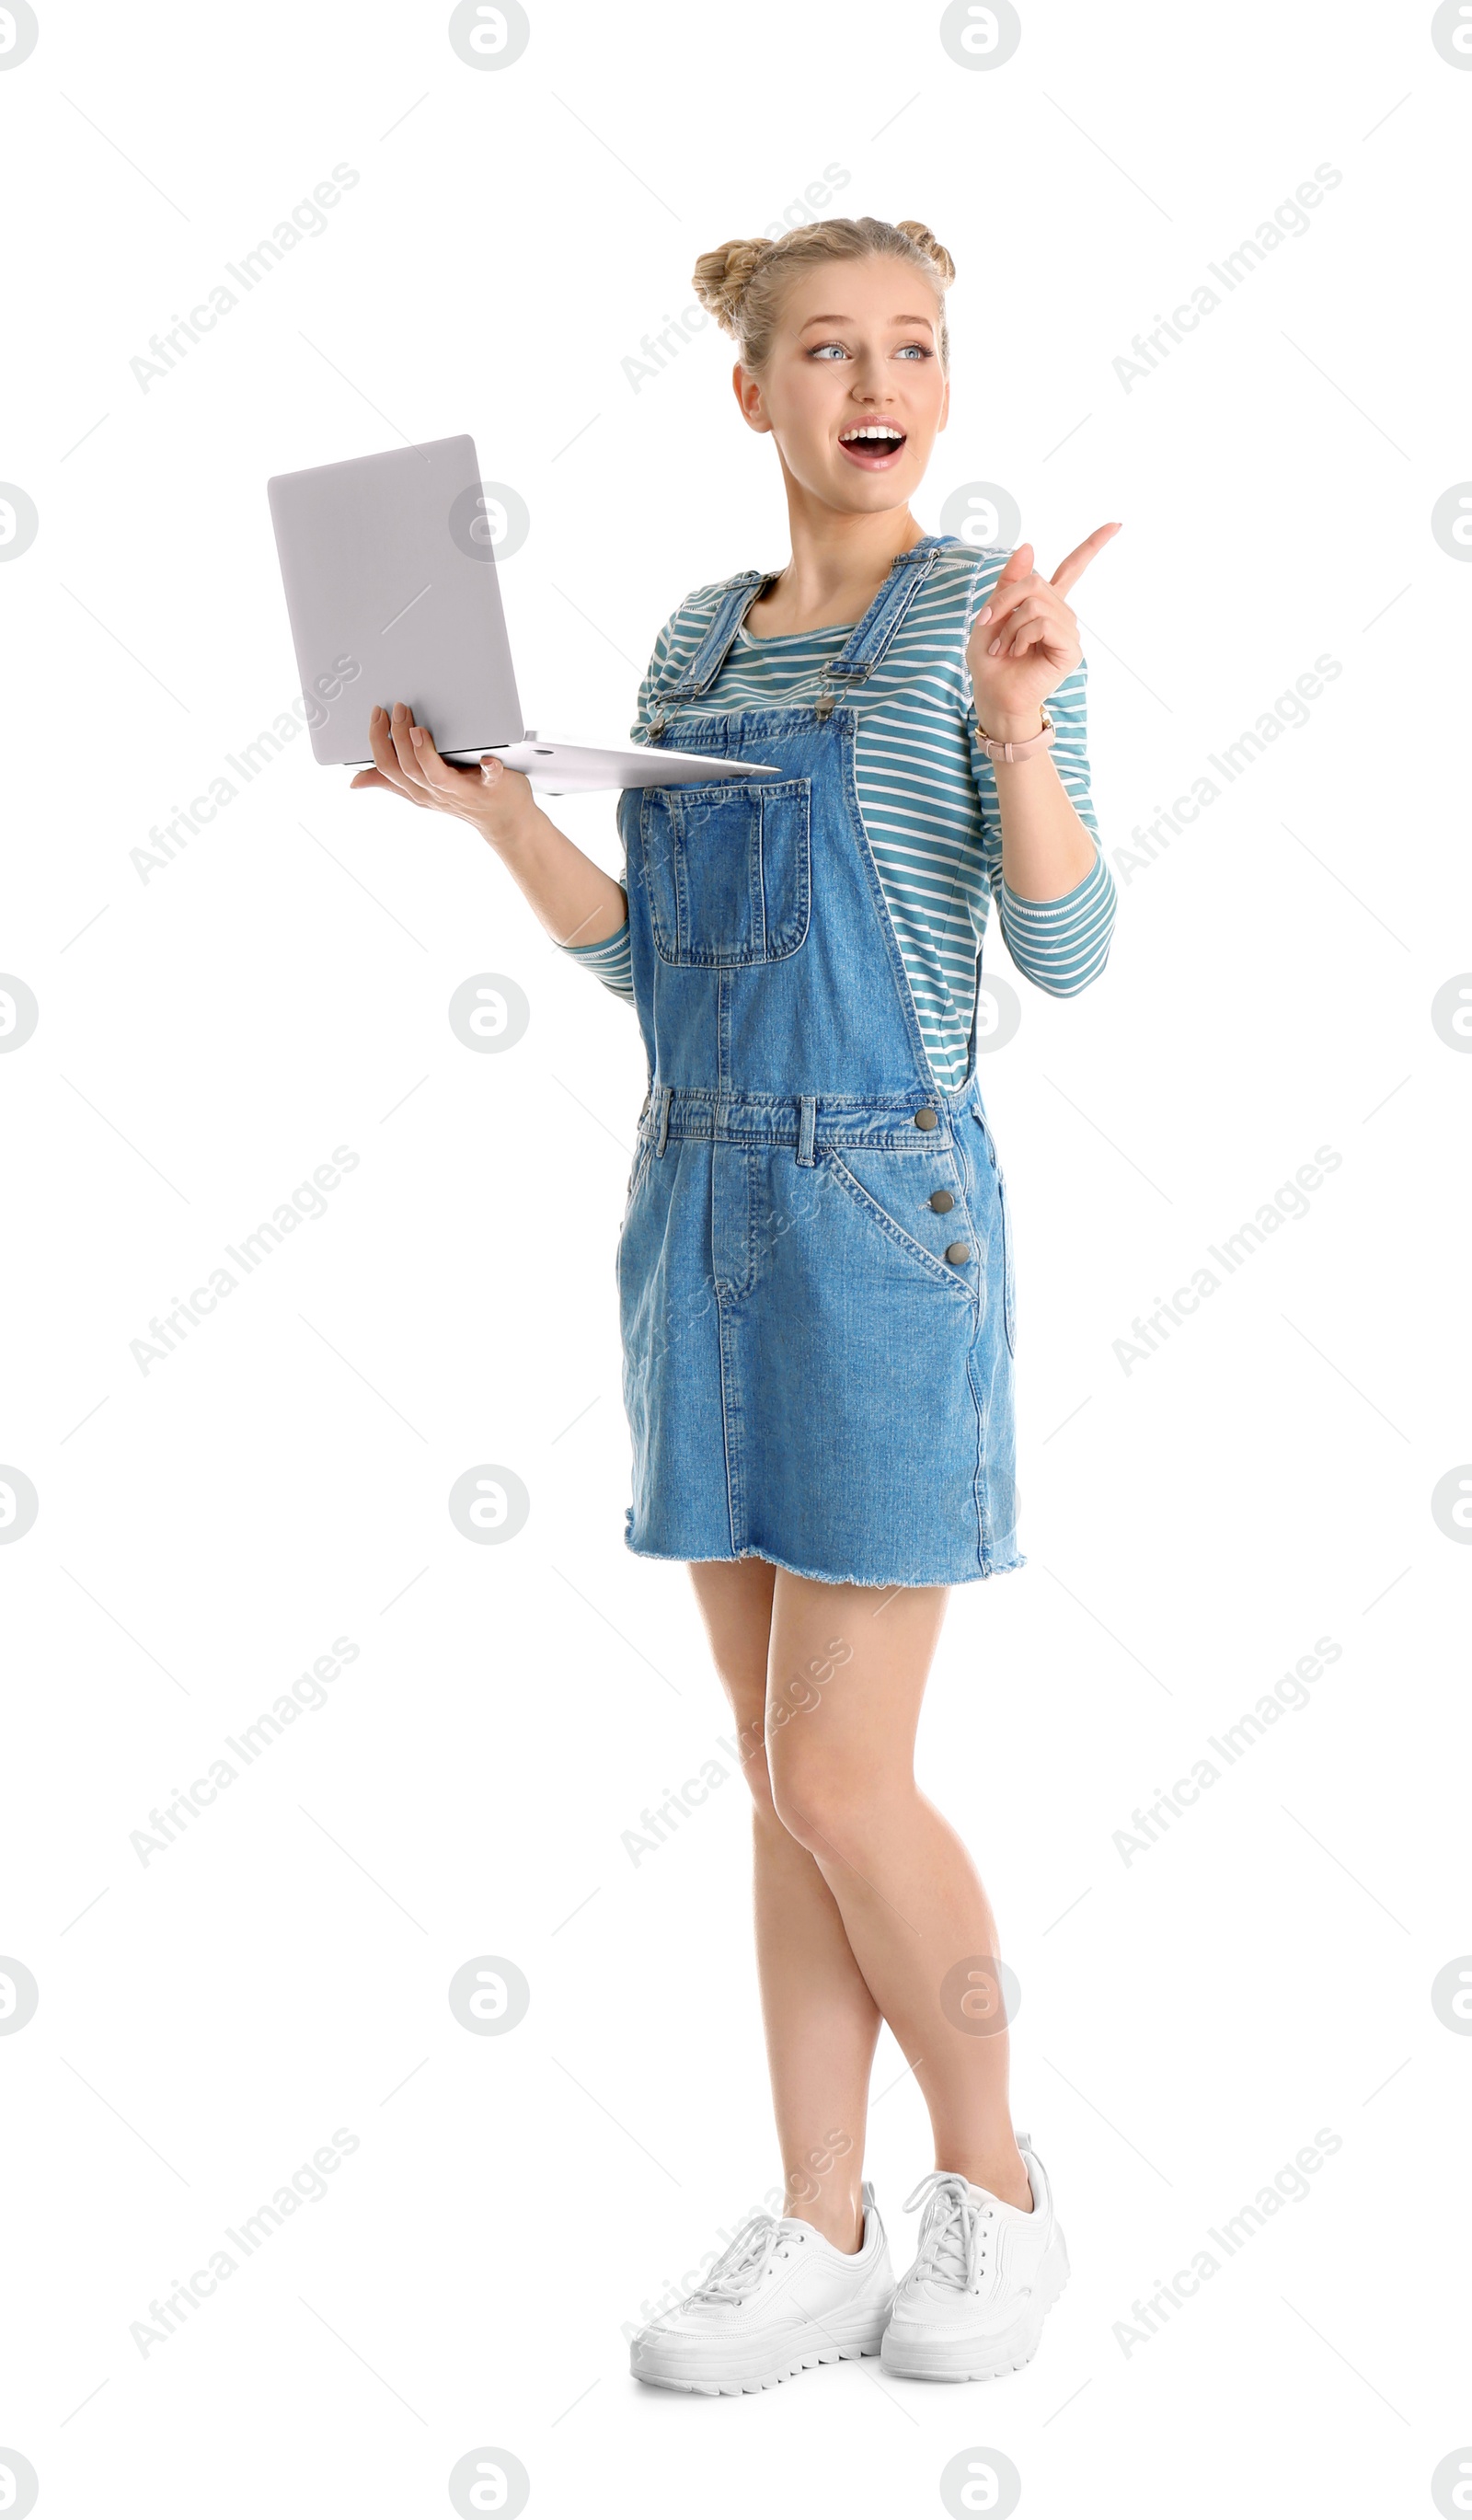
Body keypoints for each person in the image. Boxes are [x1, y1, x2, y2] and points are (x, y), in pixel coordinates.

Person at [351, 213, 1120, 2396]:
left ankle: (996, 2186)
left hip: (880, 1219)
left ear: (940, 390)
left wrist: (1022, 727)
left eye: (912, 346)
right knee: (782, 1785)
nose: (874, 379)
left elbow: (1063, 956)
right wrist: (495, 819)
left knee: (843, 1772)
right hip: (692, 1206)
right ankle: (814, 2221)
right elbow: (649, 959)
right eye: (825, 348)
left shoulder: (990, 616)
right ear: (752, 392)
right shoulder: (699, 635)